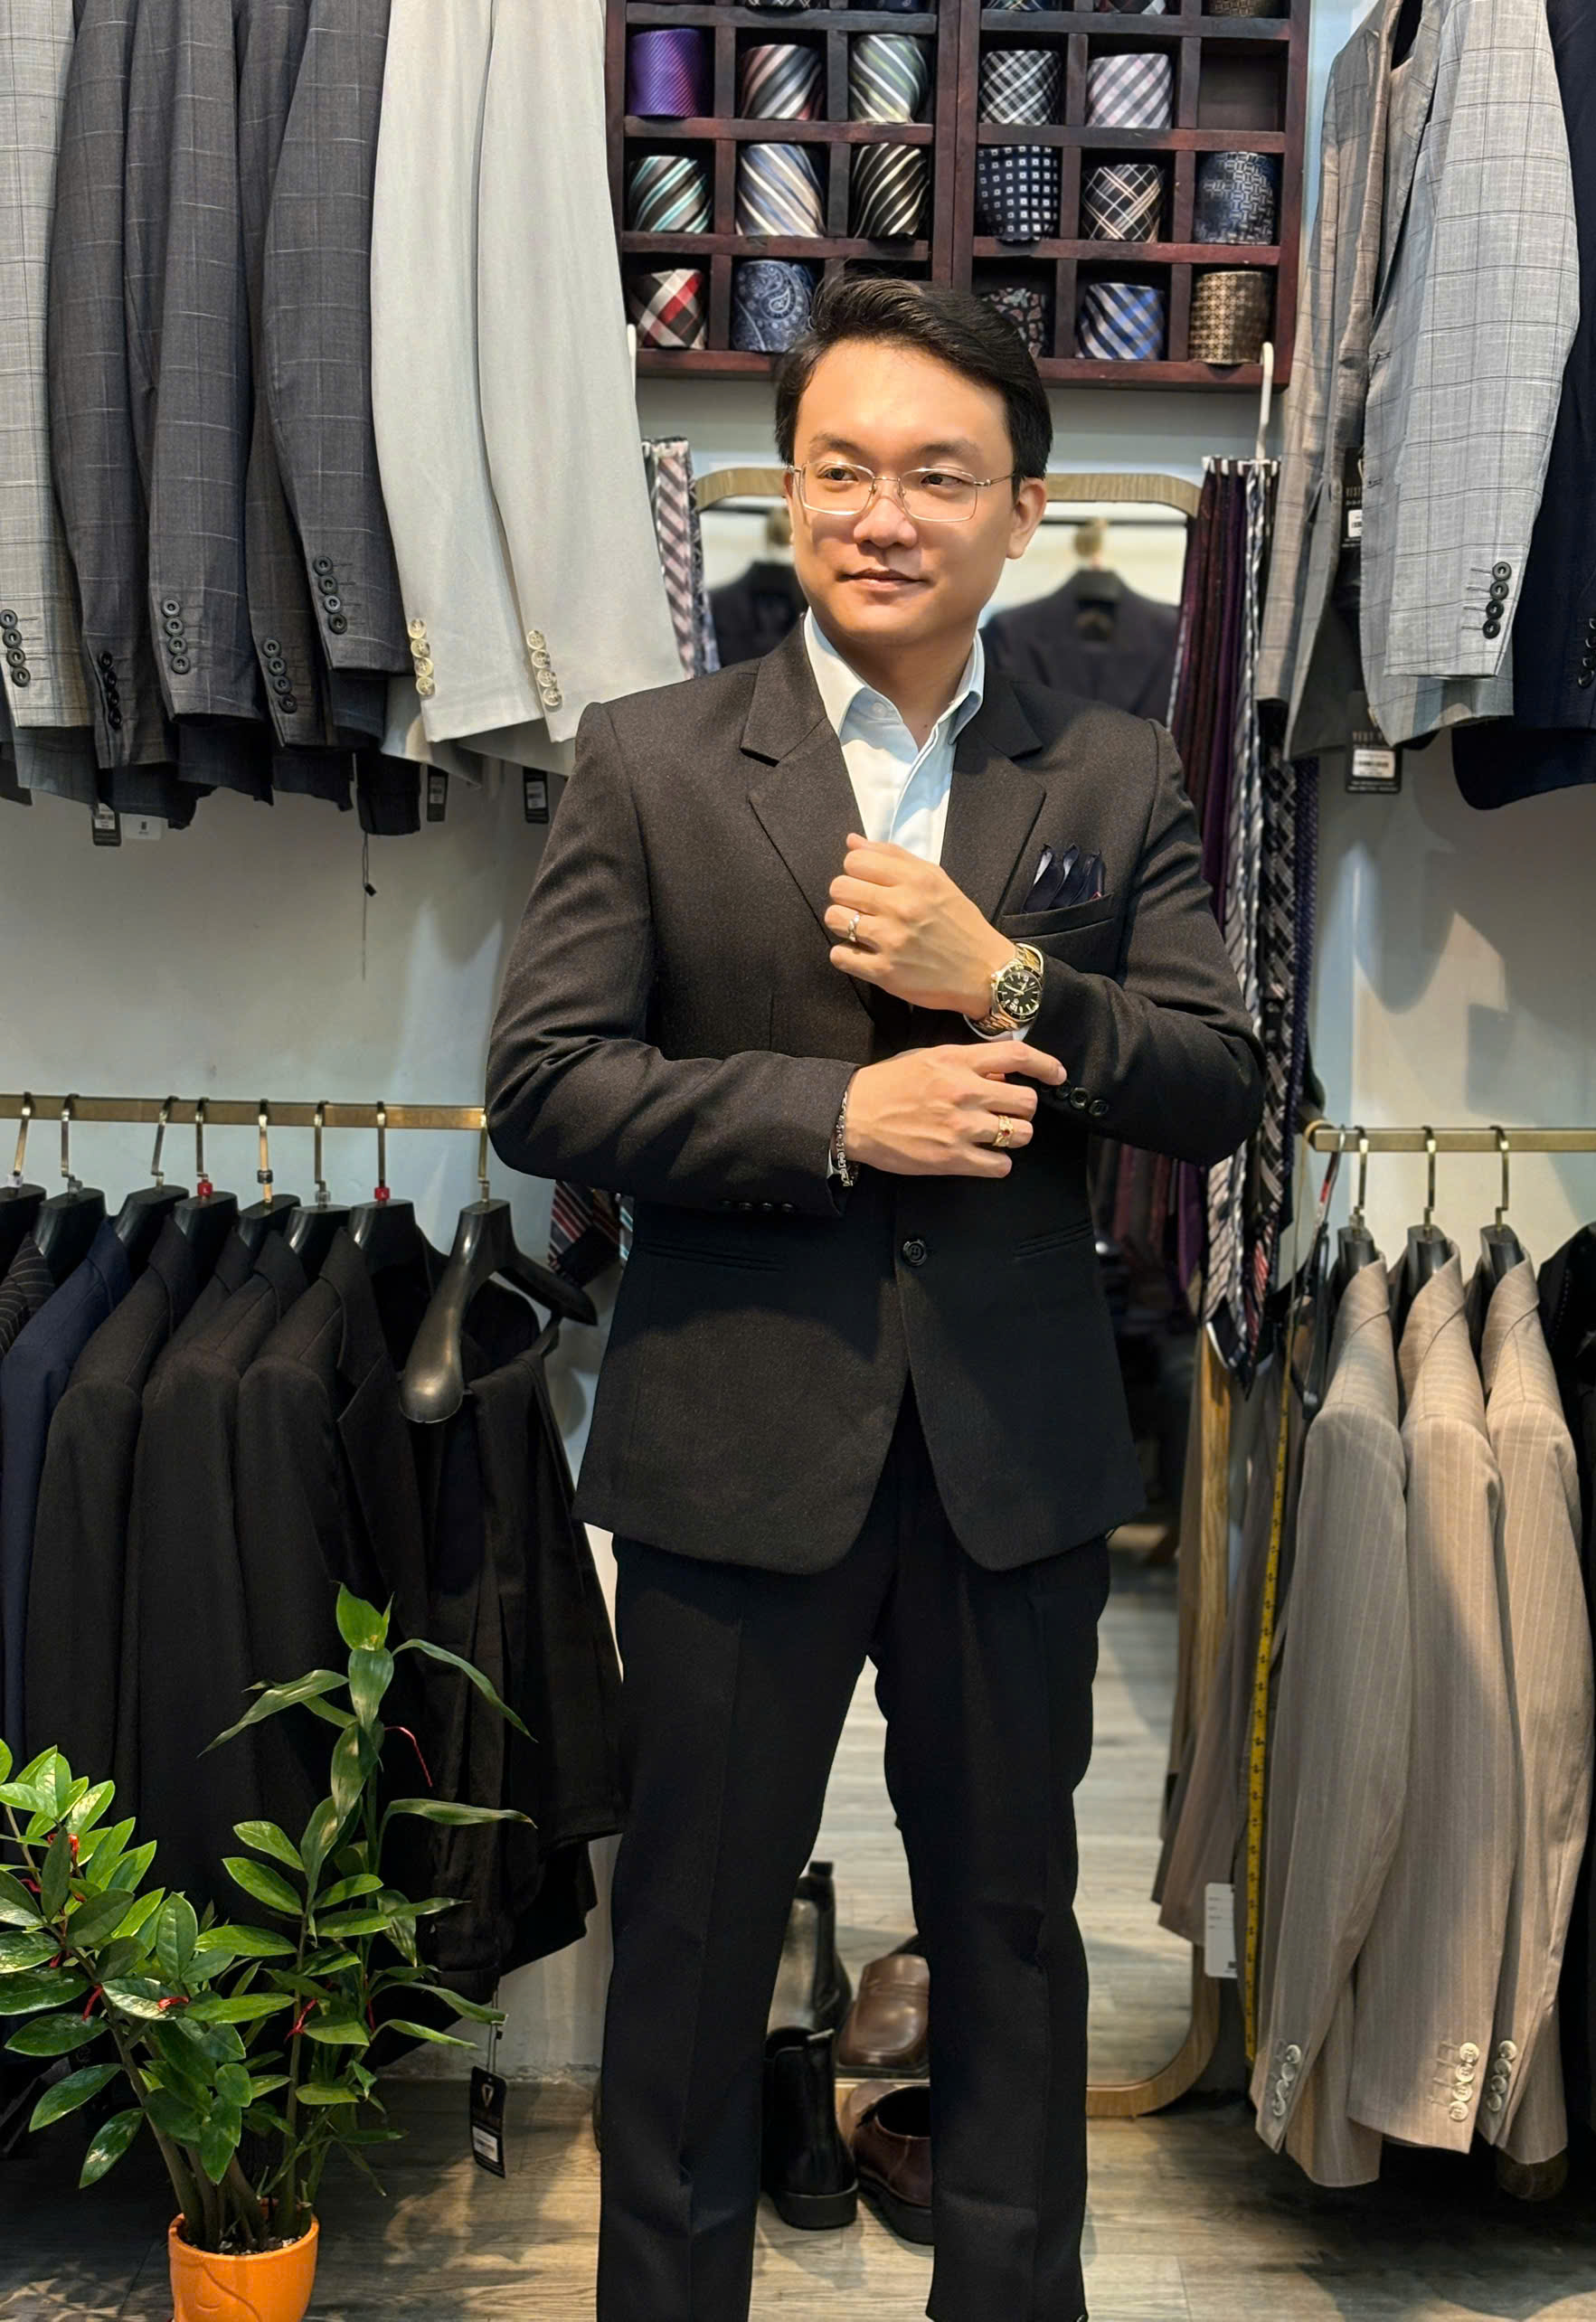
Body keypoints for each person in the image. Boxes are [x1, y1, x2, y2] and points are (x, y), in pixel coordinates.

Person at [486, 276, 1261, 2322]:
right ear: (789, 488)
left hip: (1011, 1464)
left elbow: (1218, 1082)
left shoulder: (1110, 771)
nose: (882, 514)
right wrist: (842, 1111)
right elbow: (545, 1083)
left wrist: (1001, 977)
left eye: (936, 474)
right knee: (688, 1946)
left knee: (1007, 1937)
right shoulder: (652, 759)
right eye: (840, 470)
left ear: (1024, 511)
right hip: (734, 1448)